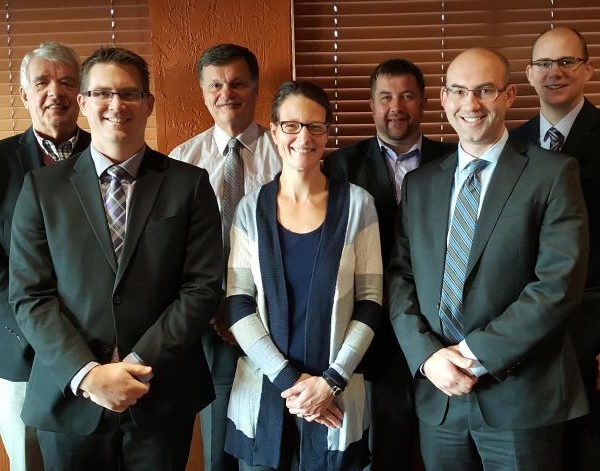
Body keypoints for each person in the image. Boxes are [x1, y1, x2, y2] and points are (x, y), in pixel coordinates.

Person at [9, 47, 222, 470]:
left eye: (129, 93)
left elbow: (201, 288)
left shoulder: (189, 185)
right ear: (83, 102)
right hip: (70, 395)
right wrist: (88, 373)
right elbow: (30, 295)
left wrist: (137, 365)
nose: (116, 104)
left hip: (161, 394)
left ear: (148, 103)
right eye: (102, 93)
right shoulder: (42, 189)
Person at [388, 47, 589, 470]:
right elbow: (400, 278)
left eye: (485, 90)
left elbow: (558, 285)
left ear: (509, 95)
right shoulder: (421, 184)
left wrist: (473, 354)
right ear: (444, 99)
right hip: (439, 396)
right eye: (459, 91)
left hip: (521, 397)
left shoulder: (552, 174)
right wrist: (427, 357)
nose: (471, 104)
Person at [225, 80, 383, 470]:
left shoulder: (358, 205)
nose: (304, 137)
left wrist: (330, 381)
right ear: (274, 131)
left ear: (327, 132)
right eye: (292, 125)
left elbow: (371, 302)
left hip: (336, 399)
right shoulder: (250, 209)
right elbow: (239, 303)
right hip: (264, 395)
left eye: (315, 126)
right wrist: (292, 382)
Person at [324, 58, 455, 469]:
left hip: (440, 328)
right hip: (371, 330)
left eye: (406, 96)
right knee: (386, 449)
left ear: (425, 102)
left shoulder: (453, 160)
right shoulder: (340, 166)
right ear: (371, 105)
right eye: (385, 97)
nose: (396, 107)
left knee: (443, 448)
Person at [169, 43, 280, 471]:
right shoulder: (181, 160)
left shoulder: (284, 153)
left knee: (267, 446)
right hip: (206, 324)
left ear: (255, 88)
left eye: (237, 83)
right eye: (215, 85)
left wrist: (246, 311)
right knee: (216, 449)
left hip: (272, 320)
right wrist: (216, 308)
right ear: (202, 92)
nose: (226, 94)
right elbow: (173, 250)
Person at [511, 27, 600, 470]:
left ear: (588, 70)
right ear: (529, 74)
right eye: (544, 63)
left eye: (567, 62)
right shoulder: (511, 144)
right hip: (525, 328)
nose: (555, 72)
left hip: (591, 324)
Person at [0, 41, 90, 471]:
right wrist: (37, 325)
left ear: (82, 94)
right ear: (24, 95)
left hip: (97, 349)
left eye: (67, 82)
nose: (55, 92)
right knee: (30, 461)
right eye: (42, 82)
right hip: (21, 348)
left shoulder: (108, 153)